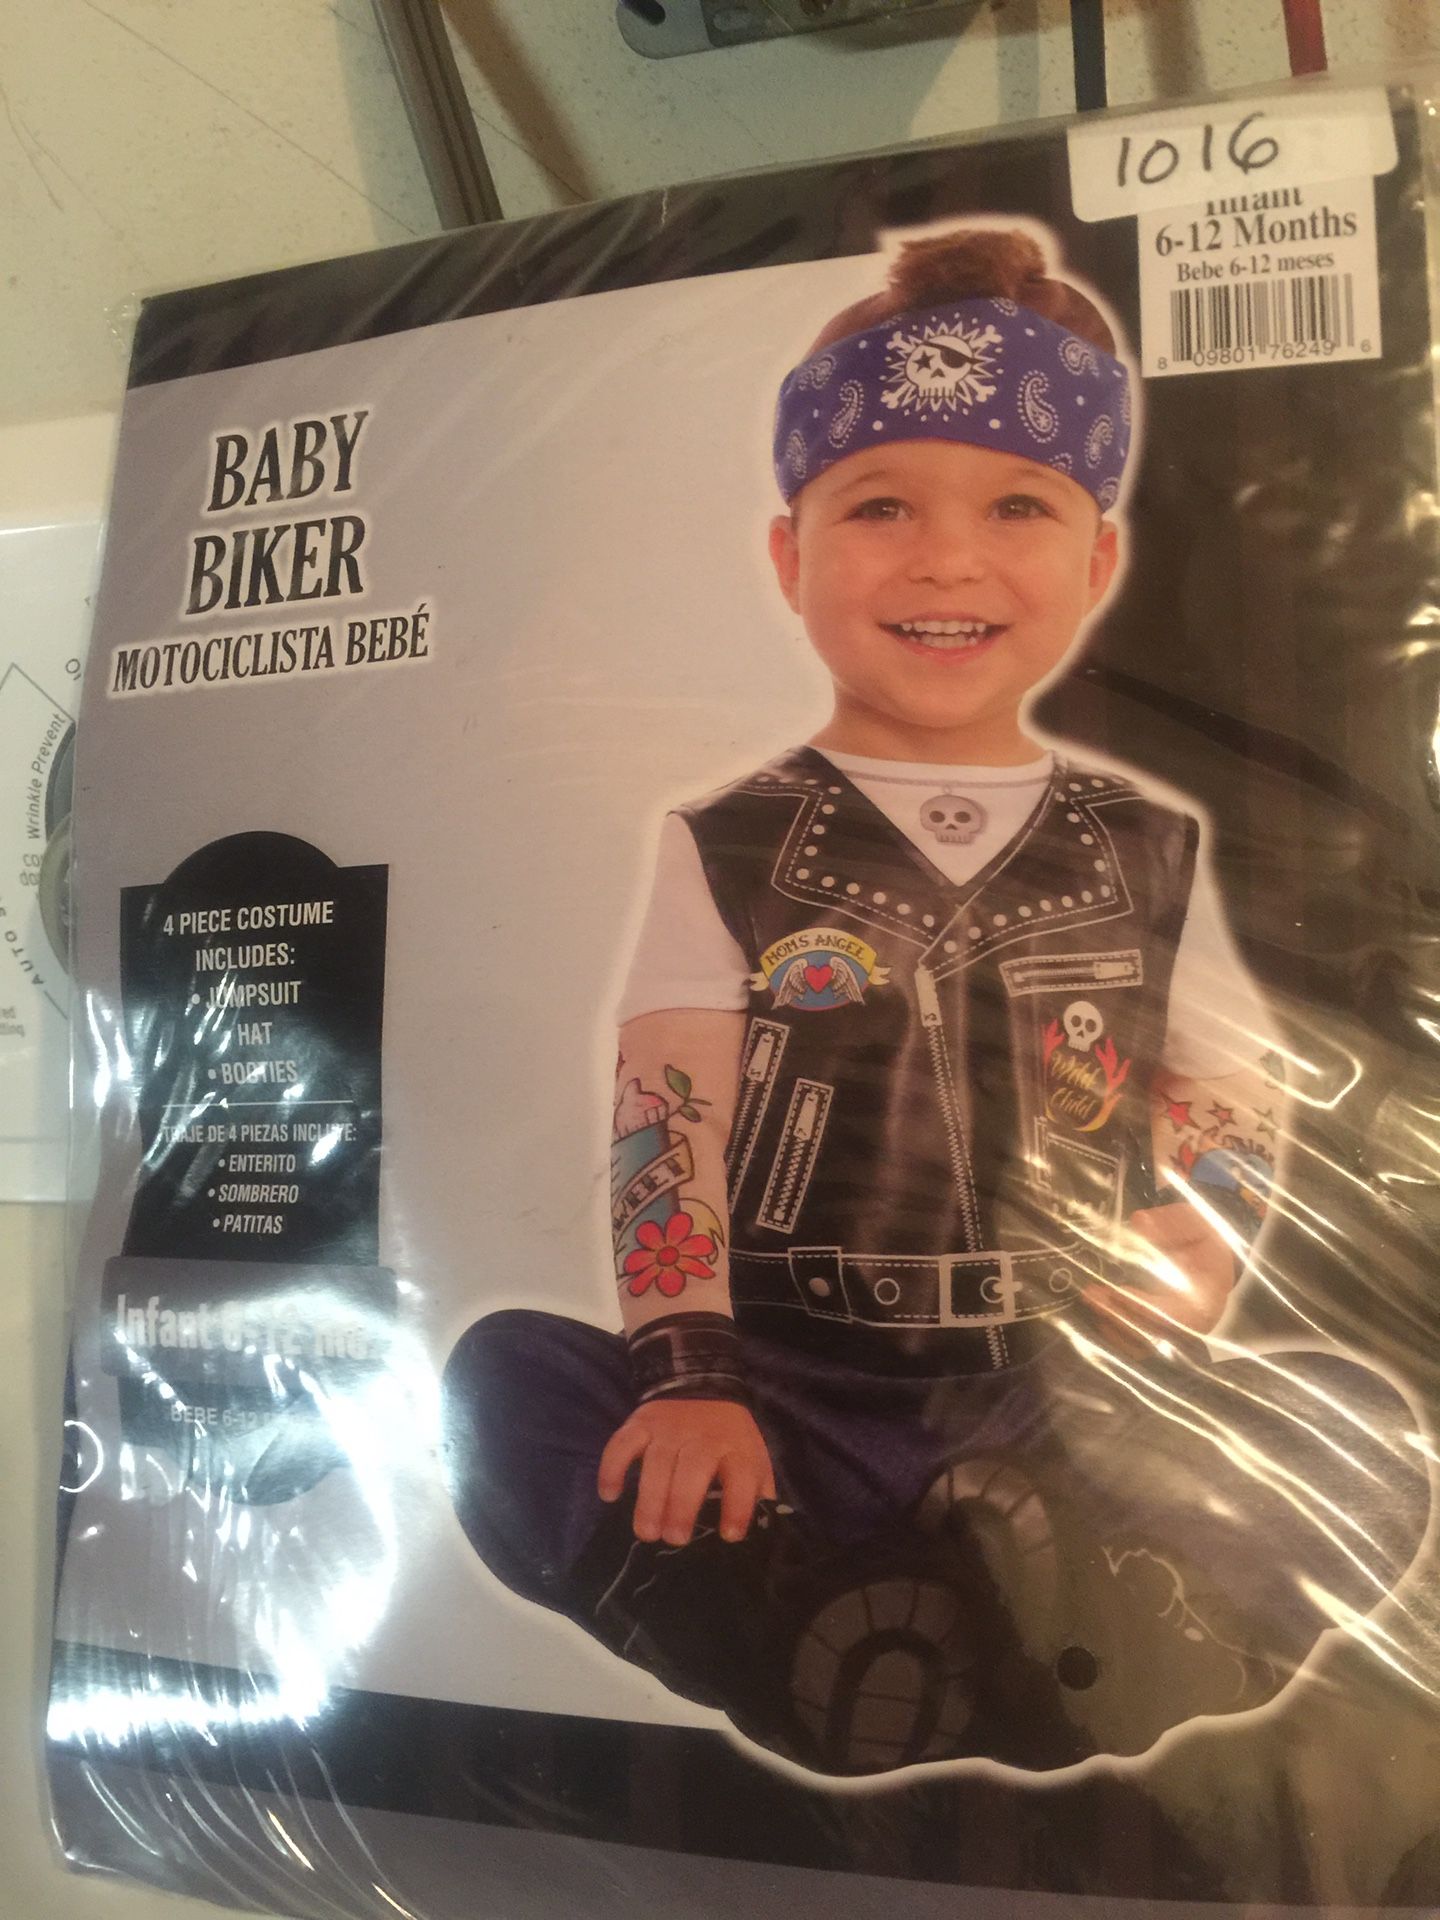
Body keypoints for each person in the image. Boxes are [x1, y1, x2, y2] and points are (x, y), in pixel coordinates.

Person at [443, 226, 1427, 1777]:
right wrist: (692, 1379)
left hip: (1061, 1389)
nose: (947, 558)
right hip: (786, 1391)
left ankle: (1076, 1628)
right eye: (880, 505)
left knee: (1357, 1434)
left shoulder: (1149, 845)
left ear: (1097, 560)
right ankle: (807, 1622)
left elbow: (1231, 1086)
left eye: (1018, 505)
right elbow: (666, 1117)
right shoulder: (728, 846)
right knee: (504, 1381)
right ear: (790, 556)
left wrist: (1202, 1238)